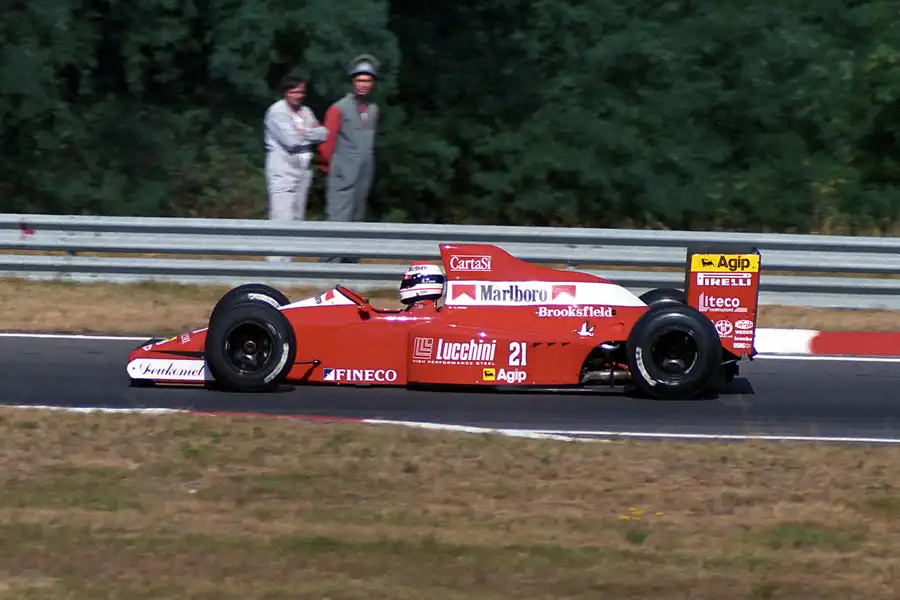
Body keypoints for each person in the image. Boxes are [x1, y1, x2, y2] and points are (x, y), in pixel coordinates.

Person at [318, 55, 380, 262]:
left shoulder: (372, 109)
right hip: (342, 173)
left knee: (357, 219)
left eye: (367, 80)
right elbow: (327, 141)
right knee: (338, 219)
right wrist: (329, 166)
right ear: (352, 82)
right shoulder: (339, 108)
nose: (363, 85)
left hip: (363, 174)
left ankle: (352, 267)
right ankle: (329, 265)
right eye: (359, 80)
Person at [263, 68, 329, 262]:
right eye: (293, 92)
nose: (297, 96)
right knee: (281, 218)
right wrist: (310, 133)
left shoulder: (305, 111)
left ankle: (289, 265)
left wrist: (304, 133)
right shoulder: (277, 112)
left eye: (301, 92)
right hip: (283, 172)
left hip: (303, 172)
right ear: (285, 92)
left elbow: (324, 133)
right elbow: (290, 140)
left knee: (297, 219)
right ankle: (275, 265)